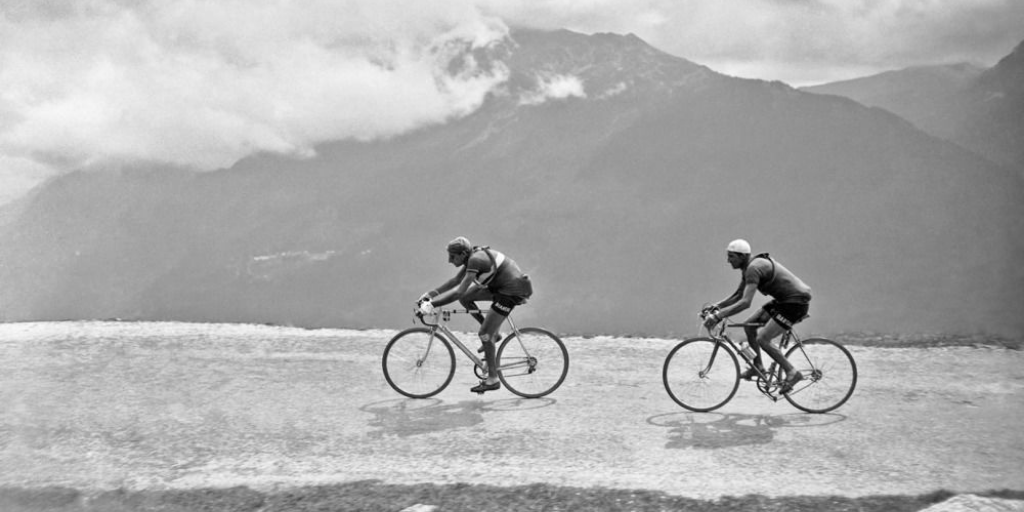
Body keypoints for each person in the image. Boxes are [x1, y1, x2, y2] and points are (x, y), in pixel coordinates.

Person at [417, 237, 533, 394]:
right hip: (500, 287)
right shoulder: (471, 258)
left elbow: (458, 291)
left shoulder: (476, 260)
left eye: (452, 256)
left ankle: (493, 379)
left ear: (463, 253)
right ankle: (494, 334)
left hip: (511, 292)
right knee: (466, 299)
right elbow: (456, 281)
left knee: (484, 334)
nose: (449, 260)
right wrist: (430, 295)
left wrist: (431, 305)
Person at [702, 239, 812, 394]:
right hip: (784, 301)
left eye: (731, 256)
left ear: (742, 256)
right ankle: (758, 367)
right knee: (749, 326)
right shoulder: (748, 267)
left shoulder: (754, 268)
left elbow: (745, 302)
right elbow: (738, 295)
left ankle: (793, 373)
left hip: (795, 303)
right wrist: (716, 307)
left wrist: (718, 316)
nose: (727, 260)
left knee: (763, 339)